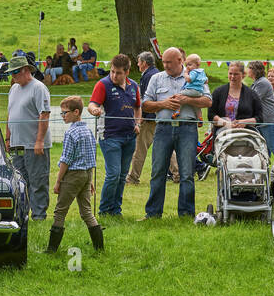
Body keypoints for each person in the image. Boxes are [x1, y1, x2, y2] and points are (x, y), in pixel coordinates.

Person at [141, 47, 210, 218]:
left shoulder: (195, 75)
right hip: (163, 128)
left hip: (187, 128)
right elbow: (145, 104)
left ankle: (186, 214)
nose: (165, 65)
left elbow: (208, 100)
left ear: (180, 61)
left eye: (169, 62)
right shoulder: (156, 78)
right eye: (163, 62)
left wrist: (187, 100)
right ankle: (153, 214)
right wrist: (163, 104)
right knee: (158, 171)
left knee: (187, 173)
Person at [48, 96, 104, 253]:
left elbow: (66, 160)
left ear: (76, 112)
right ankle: (99, 248)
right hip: (86, 174)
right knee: (86, 212)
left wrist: (58, 181)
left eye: (64, 113)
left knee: (60, 211)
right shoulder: (88, 131)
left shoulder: (71, 133)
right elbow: (91, 158)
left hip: (73, 176)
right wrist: (89, 180)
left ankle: (51, 249)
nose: (63, 116)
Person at [87, 54, 141, 217]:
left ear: (127, 72)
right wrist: (94, 110)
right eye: (112, 72)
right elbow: (92, 104)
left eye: (118, 73)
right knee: (113, 174)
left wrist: (137, 123)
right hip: (109, 136)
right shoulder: (102, 85)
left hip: (129, 136)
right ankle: (104, 210)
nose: (114, 76)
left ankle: (116, 210)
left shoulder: (134, 86)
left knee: (122, 175)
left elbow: (138, 107)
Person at [4, 55, 51, 220]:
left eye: (15, 72)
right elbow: (10, 114)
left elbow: (44, 115)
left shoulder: (39, 88)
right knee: (20, 182)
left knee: (37, 181)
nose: (13, 76)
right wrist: (8, 138)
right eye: (11, 73)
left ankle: (39, 215)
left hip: (34, 145)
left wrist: (39, 141)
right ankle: (21, 214)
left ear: (25, 70)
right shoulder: (13, 89)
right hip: (17, 145)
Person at [127, 52, 160, 185]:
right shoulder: (158, 73)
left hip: (149, 117)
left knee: (140, 149)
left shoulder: (148, 76)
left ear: (145, 63)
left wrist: (141, 118)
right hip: (159, 116)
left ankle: (133, 177)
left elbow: (146, 99)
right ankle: (178, 174)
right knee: (164, 147)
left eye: (139, 62)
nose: (138, 64)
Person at [208, 60, 262, 132]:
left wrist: (244, 122)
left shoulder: (252, 94)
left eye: (236, 74)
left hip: (246, 134)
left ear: (243, 75)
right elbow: (211, 115)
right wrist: (226, 123)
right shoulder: (218, 92)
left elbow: (259, 118)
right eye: (230, 73)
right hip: (222, 134)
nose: (232, 77)